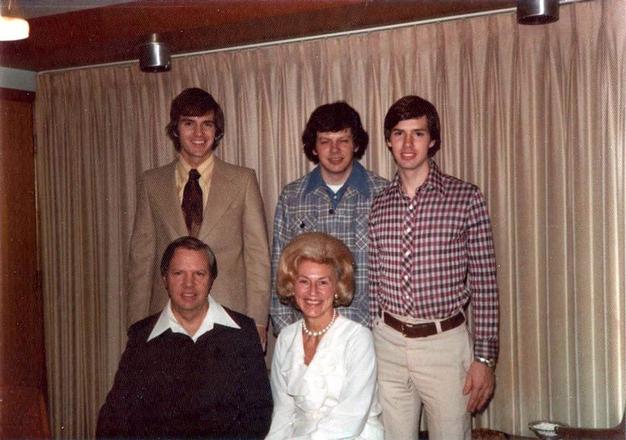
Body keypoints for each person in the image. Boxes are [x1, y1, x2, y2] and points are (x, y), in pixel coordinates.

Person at [368, 95, 499, 440]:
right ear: (388, 140)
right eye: (399, 134)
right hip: (388, 344)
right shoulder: (379, 204)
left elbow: (485, 284)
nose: (408, 144)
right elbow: (373, 277)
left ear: (433, 140)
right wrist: (373, 334)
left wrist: (484, 359)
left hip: (444, 346)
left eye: (418, 133)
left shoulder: (465, 198)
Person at [126, 87, 270, 346]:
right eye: (189, 124)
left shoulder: (243, 180)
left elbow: (257, 256)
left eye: (207, 124)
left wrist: (258, 321)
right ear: (176, 129)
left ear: (217, 131)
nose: (199, 134)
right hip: (166, 318)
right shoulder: (152, 183)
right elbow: (142, 259)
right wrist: (137, 327)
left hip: (228, 315)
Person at [97, 237, 273, 439]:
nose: (189, 284)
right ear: (165, 279)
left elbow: (258, 413)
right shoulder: (142, 337)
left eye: (199, 274)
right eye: (178, 273)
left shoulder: (242, 333)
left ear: (211, 279)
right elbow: (116, 416)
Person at [270, 102, 388, 334]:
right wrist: (287, 333)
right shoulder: (292, 197)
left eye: (343, 140)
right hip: (307, 330)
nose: (334, 150)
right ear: (314, 147)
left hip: (368, 332)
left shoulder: (383, 194)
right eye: (325, 141)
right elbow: (279, 268)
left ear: (356, 144)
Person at [266, 232, 383, 439]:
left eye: (323, 282)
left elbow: (350, 418)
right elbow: (283, 413)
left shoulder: (357, 338)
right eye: (304, 281)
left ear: (337, 287)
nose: (313, 292)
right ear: (292, 286)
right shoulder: (286, 338)